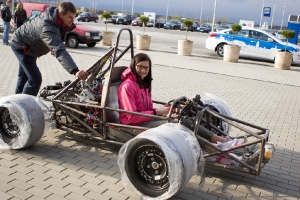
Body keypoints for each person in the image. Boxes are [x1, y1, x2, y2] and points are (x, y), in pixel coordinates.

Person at [118, 53, 233, 150]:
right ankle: (215, 148)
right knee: (178, 128)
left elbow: (145, 110)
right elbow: (131, 116)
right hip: (134, 125)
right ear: (133, 66)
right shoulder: (127, 87)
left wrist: (163, 110)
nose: (143, 70)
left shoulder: (143, 84)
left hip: (145, 119)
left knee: (184, 119)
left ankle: (221, 140)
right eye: (140, 67)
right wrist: (155, 113)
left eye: (146, 68)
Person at [11, 2, 89, 96]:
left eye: (74, 17)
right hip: (22, 46)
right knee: (35, 79)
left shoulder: (57, 20)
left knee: (23, 77)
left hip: (30, 45)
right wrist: (75, 71)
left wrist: (51, 47)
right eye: (69, 17)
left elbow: (57, 38)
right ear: (60, 14)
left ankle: (14, 103)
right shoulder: (47, 27)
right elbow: (59, 50)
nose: (72, 20)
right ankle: (24, 106)